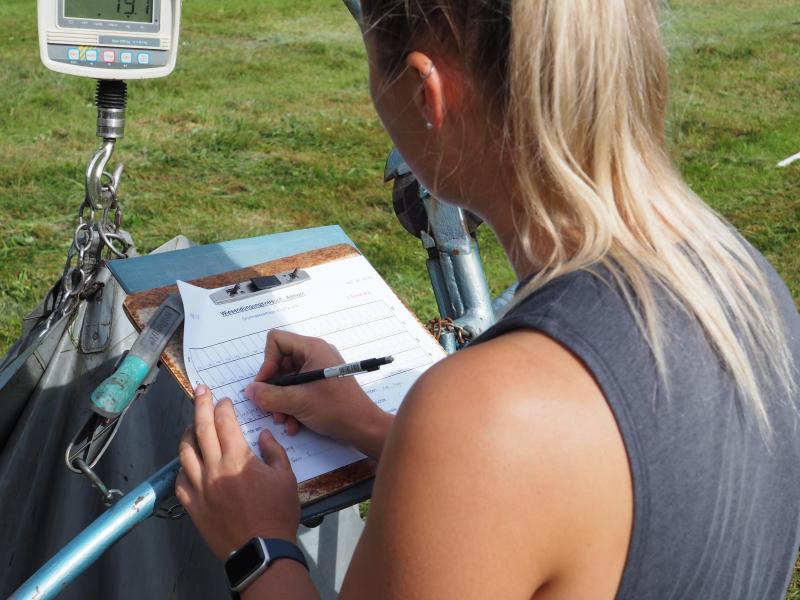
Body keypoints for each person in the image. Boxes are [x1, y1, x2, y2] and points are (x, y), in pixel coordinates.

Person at [174, 1, 800, 598]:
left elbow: (515, 461)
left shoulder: (489, 416)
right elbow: (584, 500)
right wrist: (366, 424)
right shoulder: (748, 288)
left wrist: (257, 546)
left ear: (427, 92)